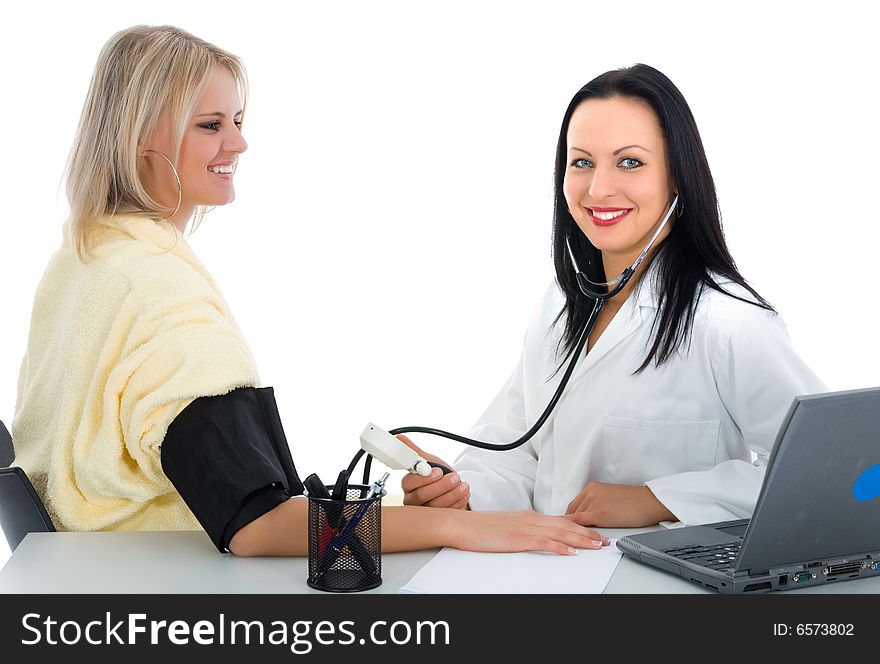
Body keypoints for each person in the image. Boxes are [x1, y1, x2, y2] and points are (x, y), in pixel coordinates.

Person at [11, 24, 609, 557]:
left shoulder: (81, 263)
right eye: (211, 125)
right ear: (142, 138)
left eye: (239, 123)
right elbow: (257, 524)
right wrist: (460, 530)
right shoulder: (156, 290)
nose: (238, 145)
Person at [401, 64, 826, 528]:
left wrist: (657, 499)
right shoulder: (557, 308)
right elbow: (517, 453)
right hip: (543, 573)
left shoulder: (729, 324)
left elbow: (825, 471)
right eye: (581, 162)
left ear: (679, 177)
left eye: (630, 162)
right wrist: (460, 494)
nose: (599, 189)